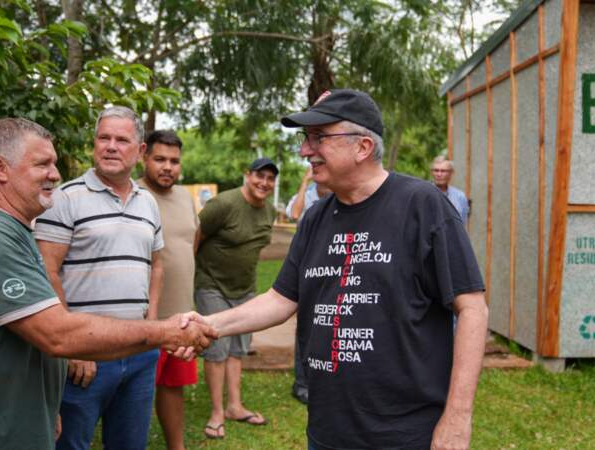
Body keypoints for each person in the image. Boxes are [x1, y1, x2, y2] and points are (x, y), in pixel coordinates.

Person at [185, 89, 489, 449]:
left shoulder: (423, 205)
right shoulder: (316, 218)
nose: (304, 151)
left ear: (362, 147)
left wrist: (457, 417)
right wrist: (210, 324)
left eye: (318, 138)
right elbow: (280, 299)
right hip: (329, 430)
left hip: (406, 433)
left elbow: (472, 308)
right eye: (305, 139)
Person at [0, 118, 216, 450]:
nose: (55, 174)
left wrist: (45, 408)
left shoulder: (15, 231)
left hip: (8, 424)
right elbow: (56, 333)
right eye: (43, 164)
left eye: (53, 163)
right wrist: (166, 332)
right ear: (0, 169)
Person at [33, 107, 165, 450]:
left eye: (122, 140)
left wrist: (150, 327)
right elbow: (46, 271)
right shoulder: (64, 198)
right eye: (103, 138)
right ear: (93, 145)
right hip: (85, 357)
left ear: (140, 152)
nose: (110, 146)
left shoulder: (148, 202)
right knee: (70, 445)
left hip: (139, 355)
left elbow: (158, 266)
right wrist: (73, 346)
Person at [195, 157, 278, 439]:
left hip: (245, 288)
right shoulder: (224, 204)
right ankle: (217, 412)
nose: (264, 183)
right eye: (259, 176)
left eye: (270, 178)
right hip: (212, 284)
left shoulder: (270, 211)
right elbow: (197, 236)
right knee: (216, 349)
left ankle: (235, 406)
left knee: (238, 350)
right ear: (247, 175)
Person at [138, 130, 200, 450]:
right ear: (144, 156)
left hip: (181, 316)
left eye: (174, 161)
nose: (168, 167)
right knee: (132, 391)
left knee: (173, 386)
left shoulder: (185, 198)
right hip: (141, 319)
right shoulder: (132, 194)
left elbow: (193, 241)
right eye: (160, 159)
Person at [285, 167, 331, 405]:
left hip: (331, 266)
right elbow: (294, 213)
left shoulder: (338, 195)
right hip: (307, 266)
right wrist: (304, 183)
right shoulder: (309, 195)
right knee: (305, 324)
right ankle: (301, 382)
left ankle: (324, 379)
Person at [431, 155, 469, 223]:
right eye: (436, 170)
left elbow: (462, 225)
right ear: (431, 172)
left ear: (451, 173)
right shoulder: (423, 194)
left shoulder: (460, 197)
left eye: (443, 171)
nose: (439, 174)